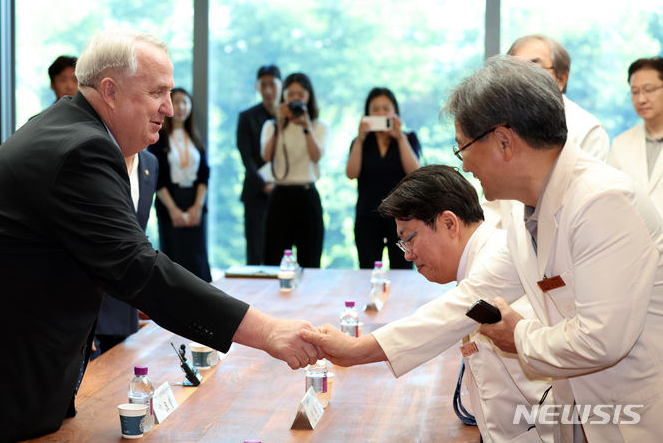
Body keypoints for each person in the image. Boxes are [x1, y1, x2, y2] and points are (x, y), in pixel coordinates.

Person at [0, 29, 321, 443]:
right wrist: (267, 332)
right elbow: (138, 268)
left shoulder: (68, 128)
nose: (170, 108)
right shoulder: (81, 148)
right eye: (157, 92)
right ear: (110, 91)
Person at [304, 55, 663, 441]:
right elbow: (470, 300)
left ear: (504, 142)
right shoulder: (521, 211)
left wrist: (519, 336)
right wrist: (358, 350)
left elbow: (601, 340)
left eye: (463, 148)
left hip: (629, 417)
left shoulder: (600, 201)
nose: (465, 167)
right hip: (580, 414)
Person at [305, 165, 553, 442]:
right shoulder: (479, 261)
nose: (408, 255)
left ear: (449, 223)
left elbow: (444, 317)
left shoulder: (499, 254)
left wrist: (355, 350)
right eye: (402, 245)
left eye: (409, 239)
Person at [484, 34, 611, 229]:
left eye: (534, 68)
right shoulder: (502, 129)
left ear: (561, 79)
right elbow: (493, 209)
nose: (524, 78)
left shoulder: (586, 129)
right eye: (515, 70)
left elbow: (587, 205)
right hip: (511, 251)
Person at [92, 147, 158, 358]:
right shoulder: (93, 156)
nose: (166, 112)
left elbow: (137, 238)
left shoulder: (150, 163)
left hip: (124, 307)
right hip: (86, 312)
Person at [346, 87, 420, 269]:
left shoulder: (408, 138)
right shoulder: (361, 142)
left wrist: (400, 137)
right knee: (367, 271)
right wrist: (360, 139)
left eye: (386, 108)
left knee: (402, 270)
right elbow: (351, 173)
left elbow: (415, 172)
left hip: (402, 218)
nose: (381, 113)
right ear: (367, 114)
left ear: (395, 111)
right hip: (367, 217)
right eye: (375, 109)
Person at [261, 72, 328, 267]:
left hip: (307, 196)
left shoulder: (318, 125)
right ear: (284, 97)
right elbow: (266, 156)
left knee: (310, 260)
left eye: (300, 94)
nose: (295, 98)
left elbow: (317, 155)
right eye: (291, 94)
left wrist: (306, 126)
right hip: (280, 196)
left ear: (309, 96)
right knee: (273, 259)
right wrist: (280, 124)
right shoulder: (271, 125)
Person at [148, 87, 212, 282]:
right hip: (170, 200)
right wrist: (174, 210)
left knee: (197, 255)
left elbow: (204, 174)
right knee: (174, 255)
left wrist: (197, 207)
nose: (181, 107)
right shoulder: (159, 138)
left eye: (185, 102)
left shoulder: (194, 136)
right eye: (177, 102)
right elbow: (158, 178)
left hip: (194, 199)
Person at [237, 64, 282, 265]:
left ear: (281, 85)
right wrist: (264, 184)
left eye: (272, 84)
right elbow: (247, 158)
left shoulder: (289, 116)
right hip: (257, 192)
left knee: (281, 250)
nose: (268, 90)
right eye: (263, 85)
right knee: (256, 252)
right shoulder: (247, 117)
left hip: (284, 191)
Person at [608, 57, 663, 217]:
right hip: (636, 236)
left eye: (649, 89)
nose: (641, 99)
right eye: (634, 92)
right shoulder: (620, 144)